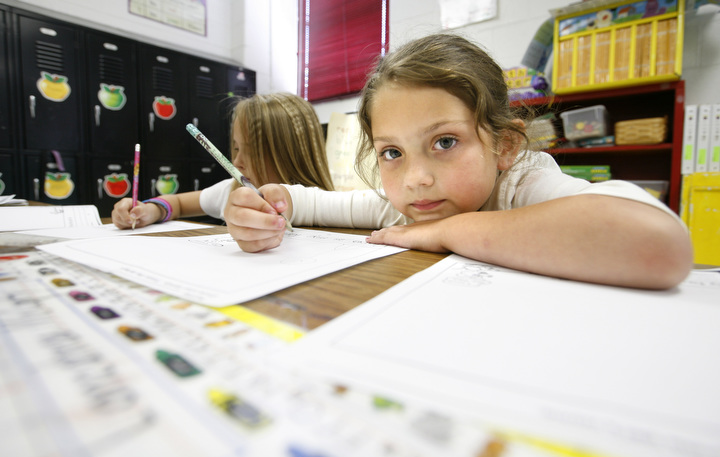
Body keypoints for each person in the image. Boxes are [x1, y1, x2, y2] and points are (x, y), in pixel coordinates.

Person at [223, 34, 693, 290]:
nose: (416, 178)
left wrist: (446, 231)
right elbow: (307, 203)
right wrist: (264, 206)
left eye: (445, 142)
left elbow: (661, 244)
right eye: (392, 152)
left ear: (504, 146)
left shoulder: (524, 184)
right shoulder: (403, 202)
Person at [111, 92, 334, 229]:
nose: (237, 161)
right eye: (236, 148)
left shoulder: (319, 205)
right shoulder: (232, 191)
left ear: (291, 154)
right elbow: (177, 203)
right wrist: (150, 210)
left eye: (252, 151)